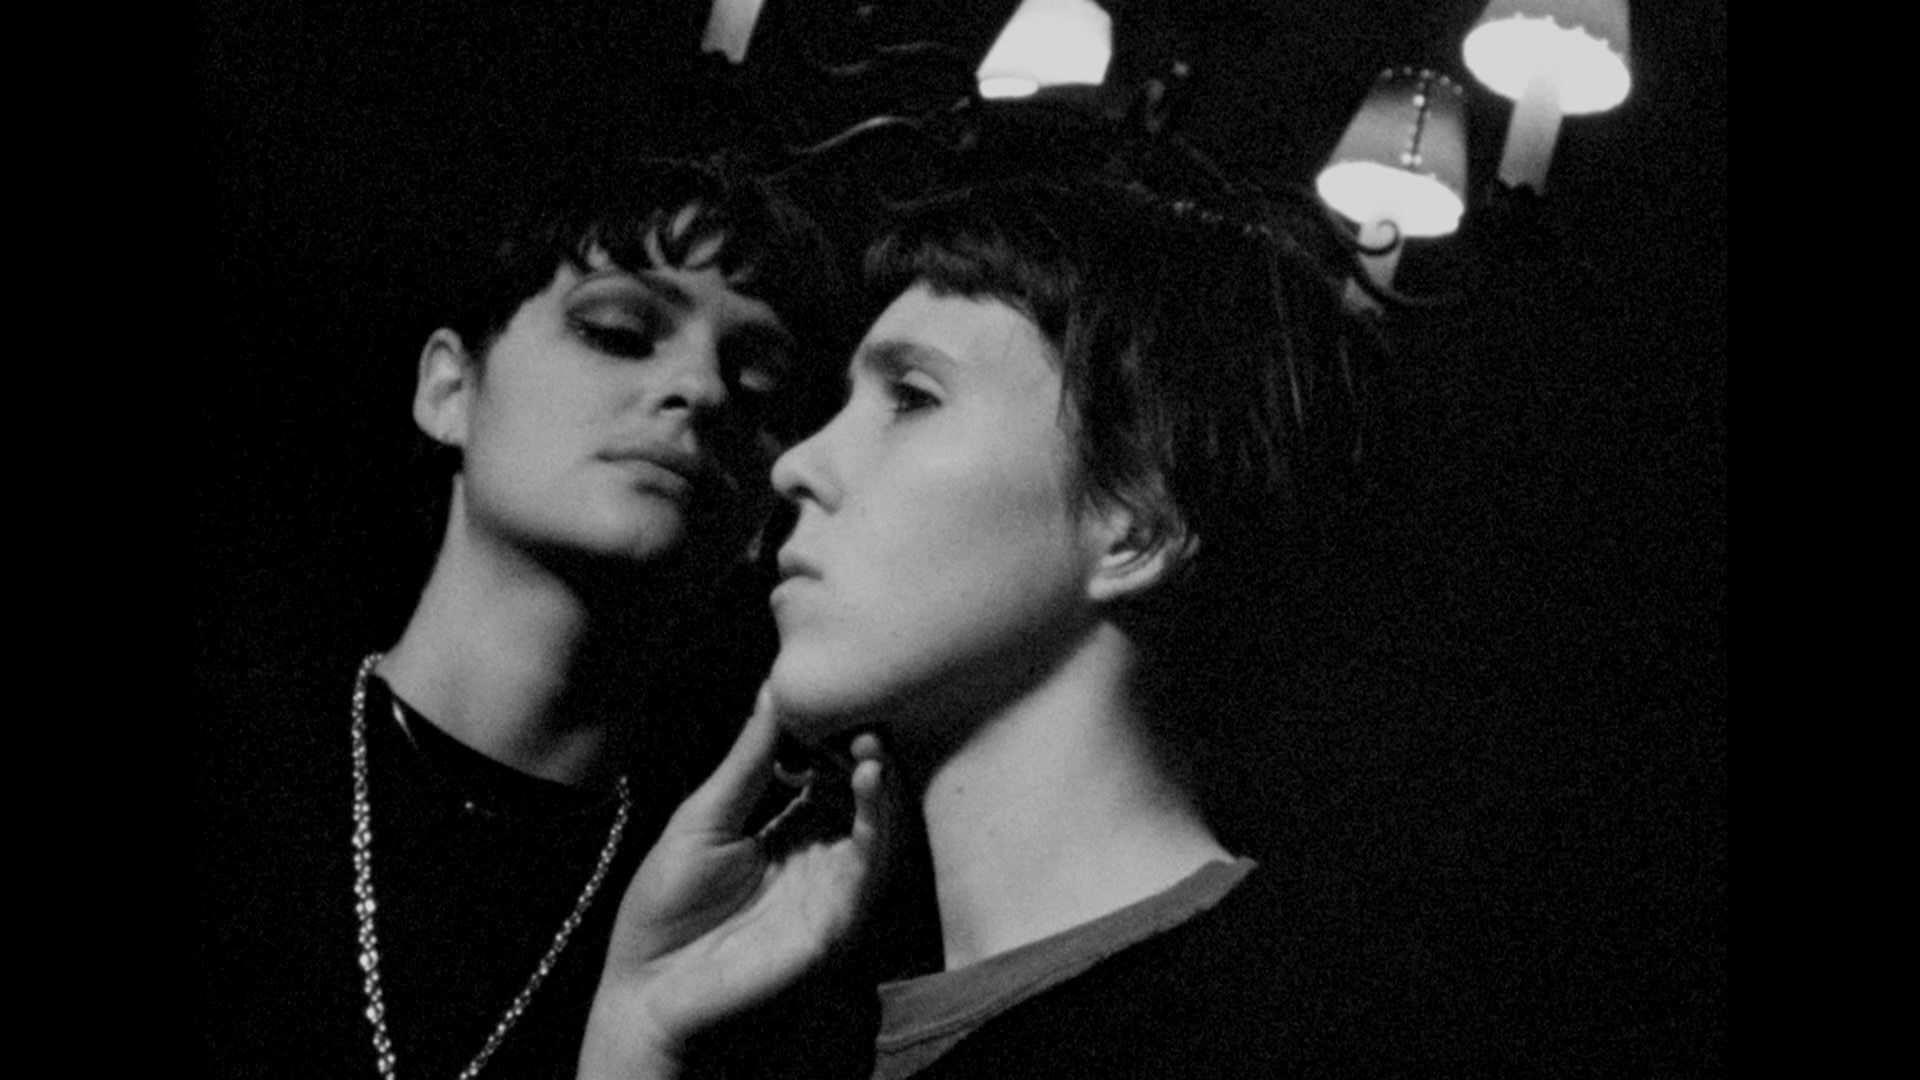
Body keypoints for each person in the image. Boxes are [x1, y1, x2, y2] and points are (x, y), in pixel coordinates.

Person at [580, 171, 1426, 1079]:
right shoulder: (821, 1030)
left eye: (912, 397)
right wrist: (640, 1026)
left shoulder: (1303, 1028)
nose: (796, 465)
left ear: (1138, 529)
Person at [197, 153, 885, 1080]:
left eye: (758, 380)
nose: (704, 390)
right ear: (450, 390)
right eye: (618, 332)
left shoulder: (755, 914)